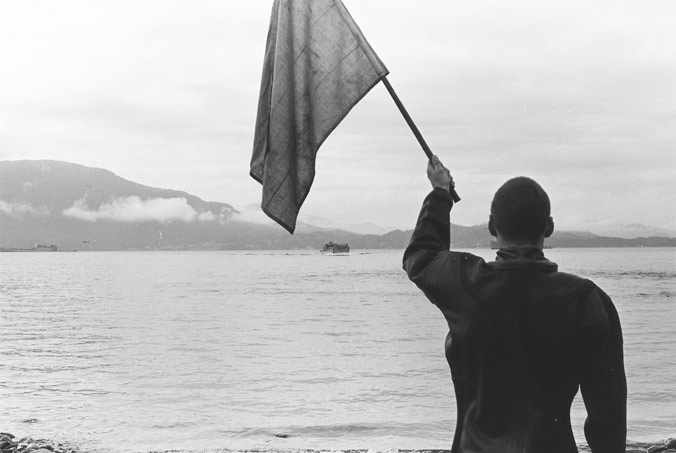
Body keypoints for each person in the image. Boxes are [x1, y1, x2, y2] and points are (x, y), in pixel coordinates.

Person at [403, 156, 627, 452]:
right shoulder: (587, 300)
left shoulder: (464, 284)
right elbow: (608, 416)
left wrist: (440, 192)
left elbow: (420, 255)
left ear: (492, 226)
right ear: (548, 227)